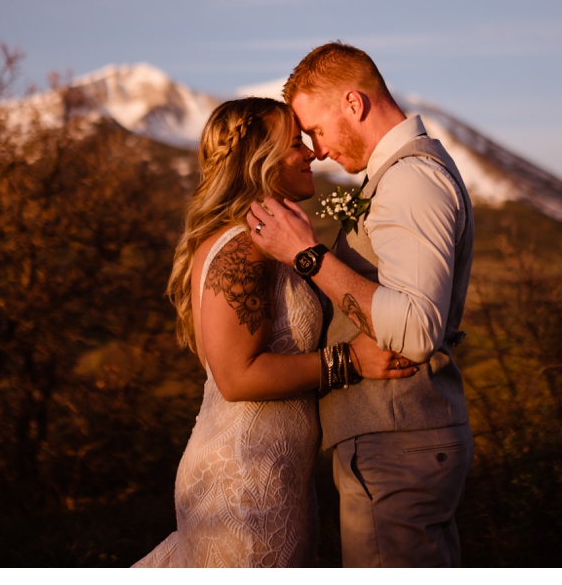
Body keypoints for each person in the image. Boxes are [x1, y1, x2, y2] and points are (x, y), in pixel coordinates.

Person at [135, 97, 418, 568]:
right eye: (294, 144)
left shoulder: (262, 240)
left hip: (273, 472)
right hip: (244, 482)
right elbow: (236, 377)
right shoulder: (243, 247)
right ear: (256, 162)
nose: (310, 152)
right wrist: (352, 360)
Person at [247, 43, 475, 567]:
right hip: (398, 441)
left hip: (400, 443)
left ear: (353, 103)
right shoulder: (396, 175)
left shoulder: (411, 179)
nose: (318, 150)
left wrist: (307, 256)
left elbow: (417, 329)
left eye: (317, 130)